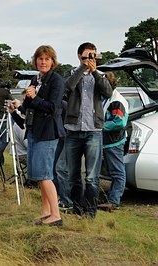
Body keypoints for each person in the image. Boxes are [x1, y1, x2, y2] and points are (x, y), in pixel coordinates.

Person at [10, 45, 65, 226]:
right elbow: (29, 108)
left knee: (45, 174)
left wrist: (34, 98)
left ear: (53, 61)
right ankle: (45, 210)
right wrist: (16, 108)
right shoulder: (35, 78)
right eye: (40, 59)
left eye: (47, 59)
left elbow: (53, 108)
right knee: (40, 174)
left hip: (48, 132)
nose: (43, 62)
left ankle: (56, 215)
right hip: (33, 130)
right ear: (35, 61)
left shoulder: (57, 80)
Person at [65, 42, 113, 219]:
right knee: (73, 176)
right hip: (73, 130)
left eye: (92, 56)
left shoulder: (100, 75)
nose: (90, 60)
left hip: (93, 130)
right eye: (86, 56)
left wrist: (94, 71)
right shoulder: (72, 73)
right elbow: (68, 87)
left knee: (92, 177)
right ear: (79, 57)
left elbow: (108, 92)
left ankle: (90, 213)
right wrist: (82, 68)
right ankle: (77, 210)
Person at [99, 72, 128, 210]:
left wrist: (99, 126)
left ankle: (114, 201)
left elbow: (119, 122)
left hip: (113, 142)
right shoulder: (108, 98)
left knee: (117, 172)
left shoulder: (117, 101)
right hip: (107, 141)